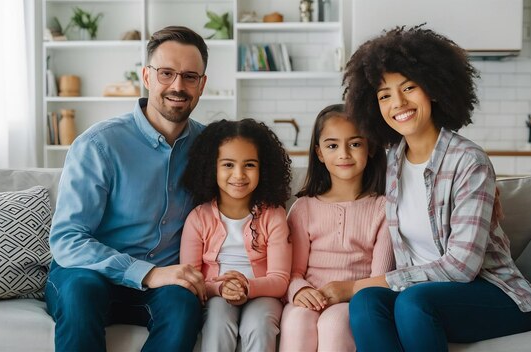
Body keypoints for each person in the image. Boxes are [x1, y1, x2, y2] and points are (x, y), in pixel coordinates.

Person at [336, 26, 531, 351]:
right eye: (384, 95)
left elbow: (461, 268)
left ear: (432, 88)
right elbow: (341, 173)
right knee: (365, 304)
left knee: (410, 302)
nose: (398, 103)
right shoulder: (391, 162)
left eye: (409, 88)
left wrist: (352, 285)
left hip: (493, 294)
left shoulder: (468, 161)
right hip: (421, 296)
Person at [46, 26, 209, 352]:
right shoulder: (99, 144)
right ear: (146, 76)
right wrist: (146, 273)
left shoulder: (209, 148)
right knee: (80, 292)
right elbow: (67, 240)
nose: (178, 86)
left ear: (202, 84)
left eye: (190, 76)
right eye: (166, 73)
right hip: (90, 274)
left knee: (184, 305)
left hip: (165, 282)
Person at [279, 104, 395, 352]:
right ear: (319, 153)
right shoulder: (303, 208)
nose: (344, 154)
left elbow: (380, 278)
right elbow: (291, 272)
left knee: (333, 325)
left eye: (354, 144)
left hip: (354, 298)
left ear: (370, 147)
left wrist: (348, 292)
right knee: (297, 321)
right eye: (332, 146)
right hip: (310, 295)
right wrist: (299, 291)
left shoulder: (383, 208)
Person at [180, 118, 293, 352]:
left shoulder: (274, 215)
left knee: (259, 325)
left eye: (249, 165)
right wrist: (220, 289)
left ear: (264, 168)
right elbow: (190, 279)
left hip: (263, 294)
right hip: (216, 295)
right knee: (217, 321)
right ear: (212, 167)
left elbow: (280, 280)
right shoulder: (198, 218)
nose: (239, 174)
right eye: (228, 165)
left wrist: (247, 287)